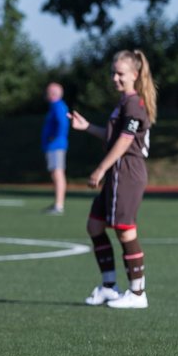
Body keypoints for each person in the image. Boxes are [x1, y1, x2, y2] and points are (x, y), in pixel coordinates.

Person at [68, 49, 157, 309]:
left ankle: (138, 293)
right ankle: (109, 287)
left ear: (135, 75)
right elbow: (114, 136)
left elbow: (125, 141)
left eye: (120, 74)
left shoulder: (134, 102)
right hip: (118, 171)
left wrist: (100, 169)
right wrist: (87, 128)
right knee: (95, 226)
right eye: (113, 73)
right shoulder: (124, 101)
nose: (114, 78)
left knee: (124, 230)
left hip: (127, 171)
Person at [41, 81, 69, 214]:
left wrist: (54, 136)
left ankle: (59, 205)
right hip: (53, 146)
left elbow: (62, 123)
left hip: (56, 146)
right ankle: (57, 203)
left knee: (58, 174)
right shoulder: (54, 106)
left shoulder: (58, 106)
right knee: (55, 174)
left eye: (48, 92)